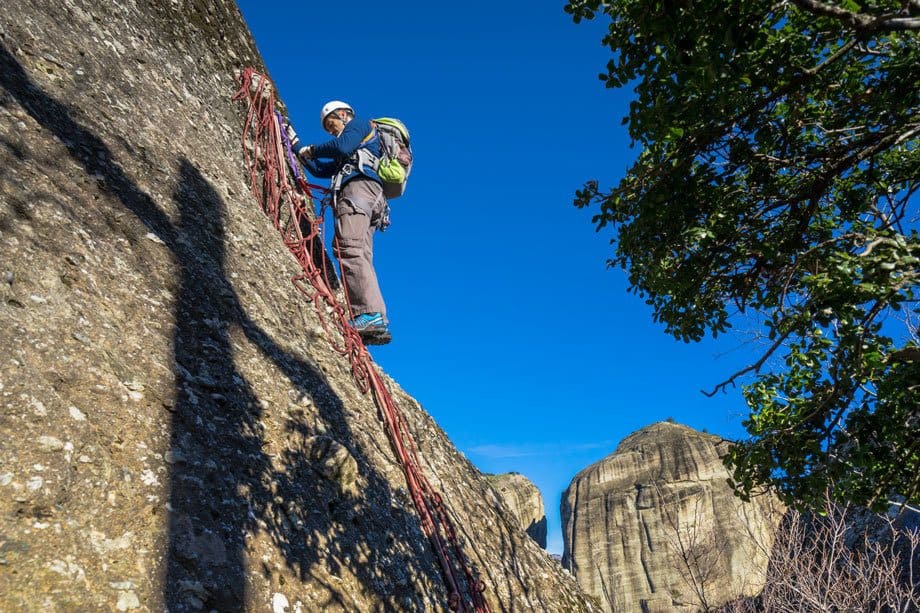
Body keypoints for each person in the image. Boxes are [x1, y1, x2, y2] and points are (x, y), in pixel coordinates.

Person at [287, 101, 392, 346]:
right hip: (371, 198)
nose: (332, 131)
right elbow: (320, 170)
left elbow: (341, 146)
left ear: (343, 114)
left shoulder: (358, 125)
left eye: (332, 124)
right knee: (360, 254)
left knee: (350, 248)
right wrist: (296, 145)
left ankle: (369, 315)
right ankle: (373, 315)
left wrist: (312, 149)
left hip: (358, 192)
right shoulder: (355, 147)